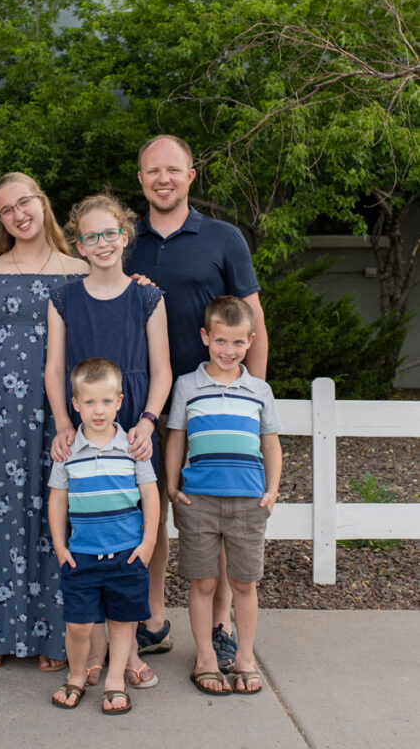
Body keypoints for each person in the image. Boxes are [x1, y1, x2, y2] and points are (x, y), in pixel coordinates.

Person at [126, 135, 268, 671]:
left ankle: (221, 624)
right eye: (152, 170)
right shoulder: (124, 240)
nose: (163, 178)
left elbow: (253, 321)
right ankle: (153, 618)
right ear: (140, 179)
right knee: (153, 509)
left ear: (190, 175)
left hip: (213, 405)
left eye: (173, 169)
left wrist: (250, 401)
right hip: (140, 402)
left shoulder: (223, 238)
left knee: (218, 508)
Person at [0, 172, 88, 670]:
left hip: (57, 404)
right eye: (7, 209)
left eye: (25, 202)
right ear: (1, 219)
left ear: (42, 202)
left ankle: (52, 637)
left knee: (55, 507)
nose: (19, 214)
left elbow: (107, 308)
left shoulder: (77, 270)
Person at [45, 193, 172, 690]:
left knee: (139, 519)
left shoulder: (147, 296)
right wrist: (62, 423)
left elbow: (162, 369)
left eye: (110, 233)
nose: (102, 243)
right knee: (88, 515)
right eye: (91, 236)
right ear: (79, 243)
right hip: (81, 414)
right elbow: (54, 368)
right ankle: (96, 649)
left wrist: (147, 419)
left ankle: (131, 645)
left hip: (133, 413)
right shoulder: (63, 298)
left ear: (125, 237)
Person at [166, 296, 281, 695]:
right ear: (205, 337)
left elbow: (271, 443)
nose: (228, 351)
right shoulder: (187, 386)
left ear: (250, 341)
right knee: (202, 583)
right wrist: (171, 486)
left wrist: (272, 490)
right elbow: (176, 436)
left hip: (248, 501)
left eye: (237, 343)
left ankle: (245, 658)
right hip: (198, 501)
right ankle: (205, 659)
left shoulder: (259, 391)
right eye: (220, 341)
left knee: (245, 583)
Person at [48, 358, 159, 715]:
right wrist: (59, 546)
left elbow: (151, 494)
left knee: (122, 622)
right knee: (79, 625)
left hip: (127, 554)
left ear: (120, 401)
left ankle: (115, 681)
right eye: (90, 402)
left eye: (107, 402)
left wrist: (148, 543)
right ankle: (77, 675)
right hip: (81, 555)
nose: (99, 411)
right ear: (76, 403)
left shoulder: (132, 446)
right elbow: (57, 500)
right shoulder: (67, 452)